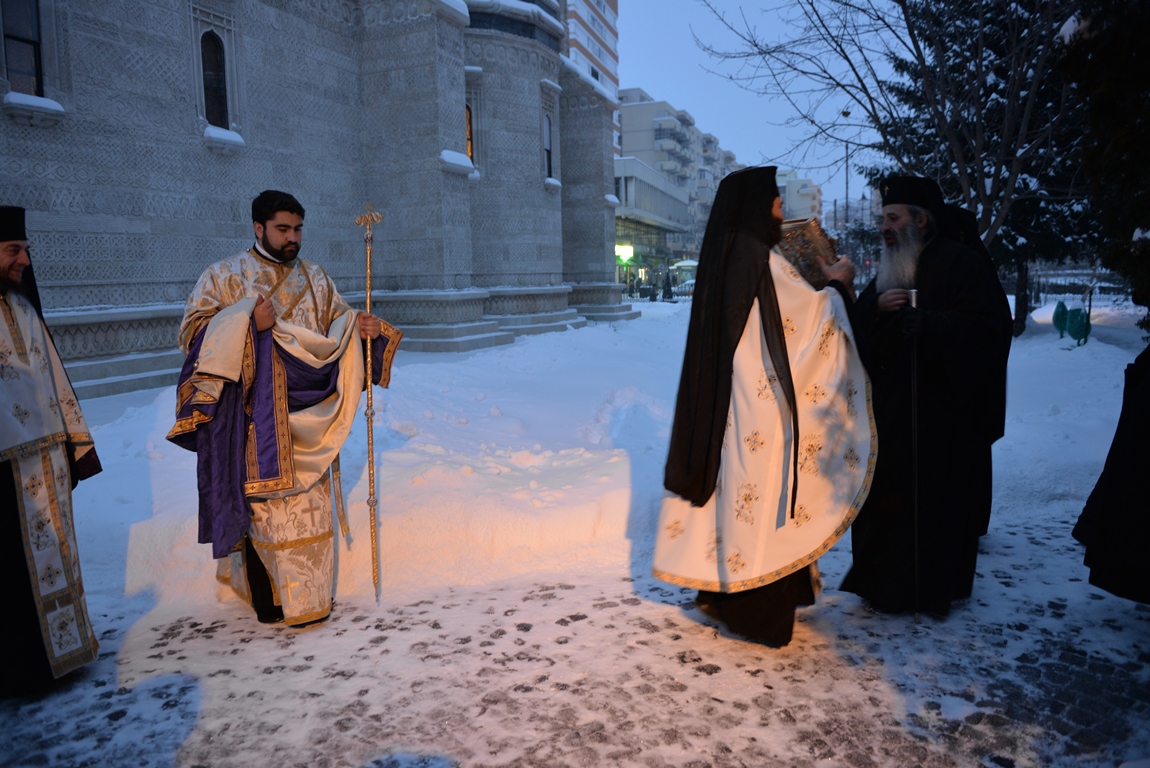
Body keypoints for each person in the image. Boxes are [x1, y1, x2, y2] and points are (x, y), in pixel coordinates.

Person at [654, 166, 875, 647]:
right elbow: (808, 322)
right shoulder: (759, 257)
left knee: (731, 500)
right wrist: (837, 284)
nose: (780, 213)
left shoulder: (726, 251)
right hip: (763, 405)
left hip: (733, 399)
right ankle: (757, 614)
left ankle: (722, 595)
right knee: (760, 503)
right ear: (756, 207)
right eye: (775, 205)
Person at [167, 190, 402, 626]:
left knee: (309, 515)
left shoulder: (316, 277)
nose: (292, 237)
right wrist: (244, 322)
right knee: (265, 513)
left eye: (297, 229)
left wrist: (359, 327)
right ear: (259, 228)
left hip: (312, 420)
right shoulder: (223, 276)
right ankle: (268, 602)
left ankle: (310, 603)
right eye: (282, 229)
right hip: (255, 420)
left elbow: (333, 333)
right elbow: (192, 336)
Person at [840, 176, 1012, 617]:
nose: (886, 227)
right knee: (888, 503)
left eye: (893, 218)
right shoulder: (892, 265)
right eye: (883, 219)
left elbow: (992, 329)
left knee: (937, 508)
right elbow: (859, 327)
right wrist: (873, 310)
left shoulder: (961, 262)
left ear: (921, 219)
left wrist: (936, 326)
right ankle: (884, 586)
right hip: (892, 413)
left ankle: (932, 590)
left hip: (943, 415)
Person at [0, 205, 103, 695]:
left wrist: (75, 442)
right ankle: (21, 670)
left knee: (55, 561)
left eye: (24, 249)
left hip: (45, 469)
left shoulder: (23, 307)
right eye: (13, 250)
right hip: (6, 473)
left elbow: (54, 377)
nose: (24, 260)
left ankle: (59, 657)